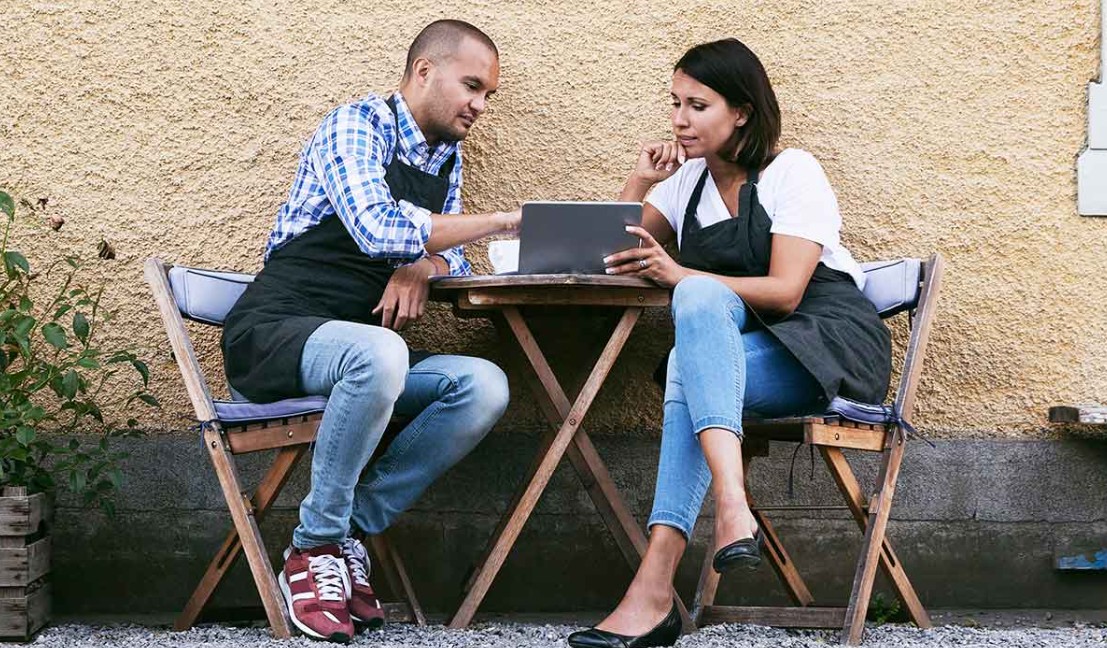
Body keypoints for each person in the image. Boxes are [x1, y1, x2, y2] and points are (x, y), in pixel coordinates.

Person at [566, 38, 892, 648]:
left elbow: (787, 291)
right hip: (741, 358)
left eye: (698, 106)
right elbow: (603, 255)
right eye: (675, 103)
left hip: (825, 347)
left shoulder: (792, 171)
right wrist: (640, 180)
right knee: (693, 334)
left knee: (690, 320)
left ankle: (658, 585)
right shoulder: (682, 185)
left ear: (741, 112)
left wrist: (680, 274)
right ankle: (729, 508)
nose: (679, 120)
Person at [221, 20, 518, 643]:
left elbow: (453, 260)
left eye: (488, 94)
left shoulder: (445, 158)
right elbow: (377, 227)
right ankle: (315, 546)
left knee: (483, 384)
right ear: (424, 71)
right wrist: (498, 222)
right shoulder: (355, 126)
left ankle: (346, 532)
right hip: (278, 335)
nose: (480, 106)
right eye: (471, 86)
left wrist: (422, 266)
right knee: (381, 351)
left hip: (362, 356)